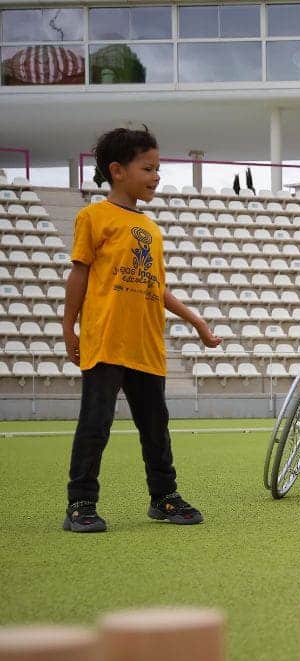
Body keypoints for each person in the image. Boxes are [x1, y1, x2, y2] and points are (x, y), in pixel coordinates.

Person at [62, 127, 221, 533]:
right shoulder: (93, 217)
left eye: (158, 168)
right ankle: (81, 502)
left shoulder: (151, 228)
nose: (156, 176)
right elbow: (78, 274)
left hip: (147, 344)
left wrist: (196, 320)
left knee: (156, 426)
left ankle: (164, 497)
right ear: (117, 170)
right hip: (105, 339)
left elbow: (157, 287)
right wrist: (69, 328)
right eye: (148, 168)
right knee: (95, 425)